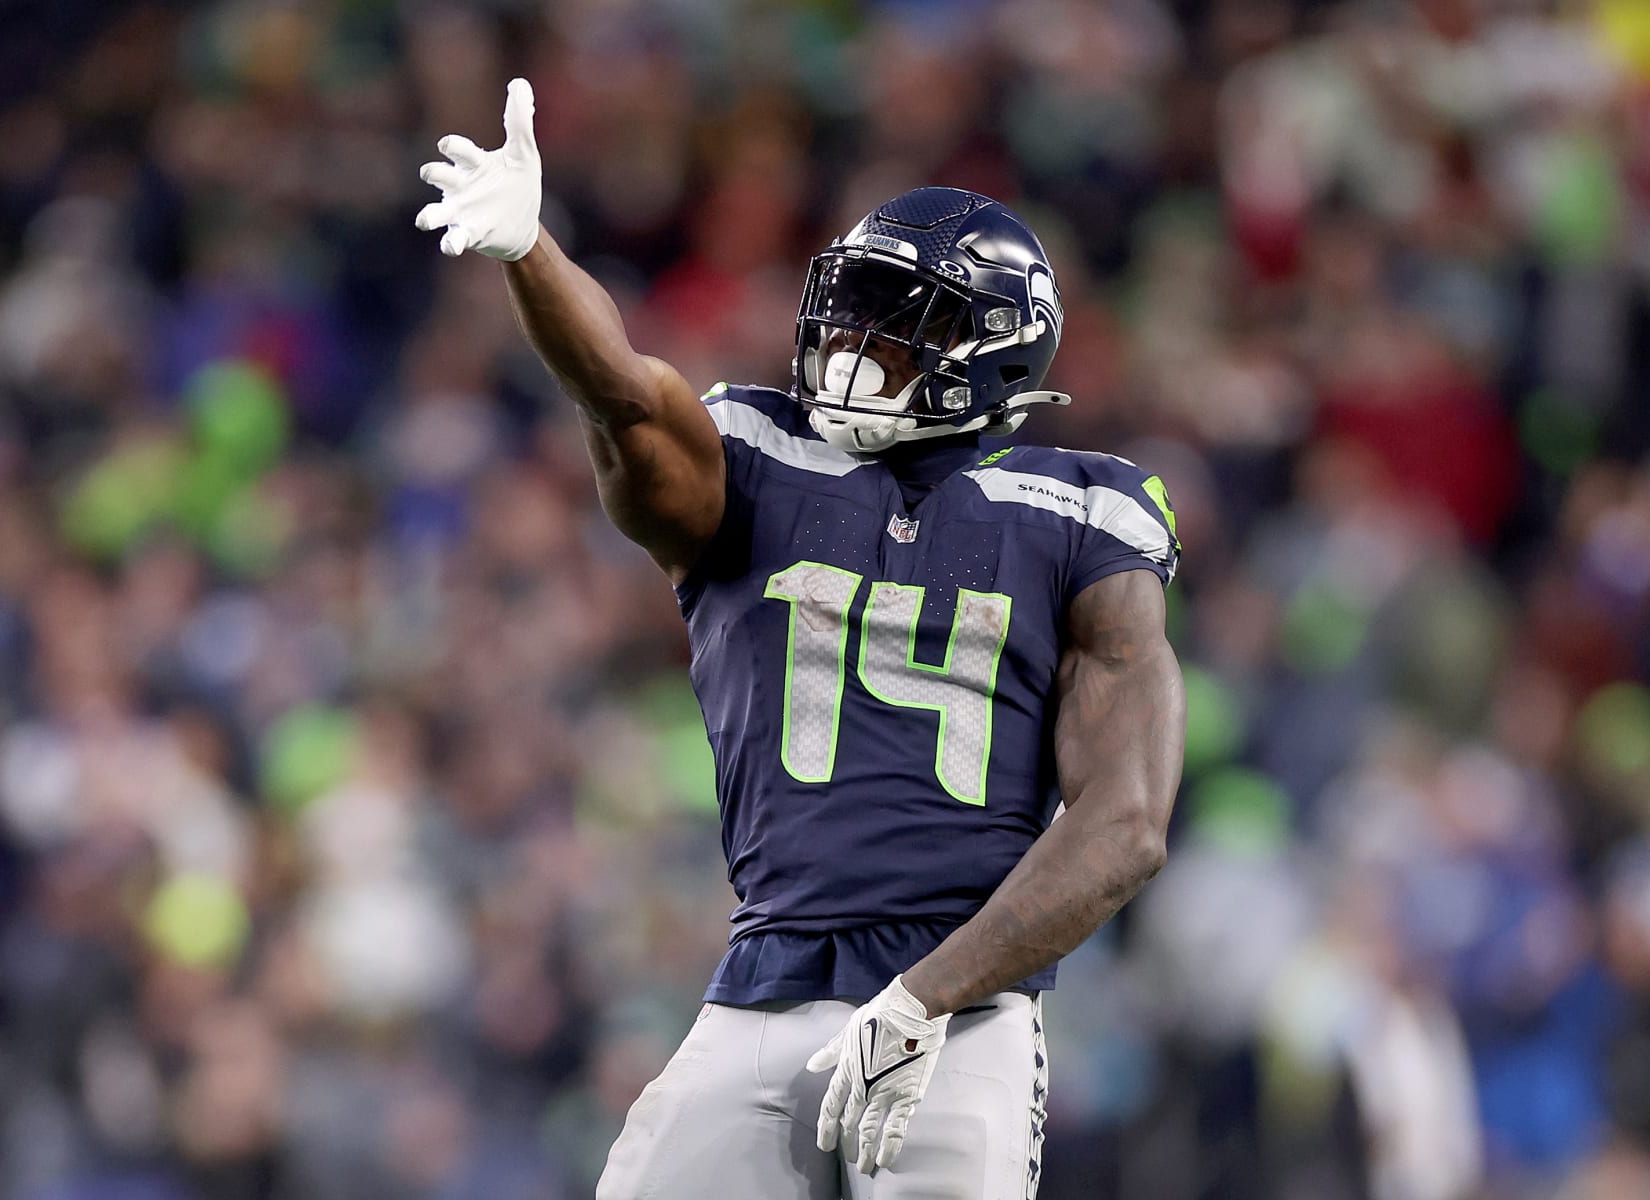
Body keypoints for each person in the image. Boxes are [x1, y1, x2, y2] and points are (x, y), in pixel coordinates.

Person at [416, 79, 1186, 1200]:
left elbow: (1124, 826)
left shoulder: (1083, 513)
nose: (856, 339)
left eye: (901, 315)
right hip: (763, 986)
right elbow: (625, 397)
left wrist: (928, 998)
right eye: (854, 302)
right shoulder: (760, 459)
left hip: (962, 1012)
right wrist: (531, 249)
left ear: (995, 350)